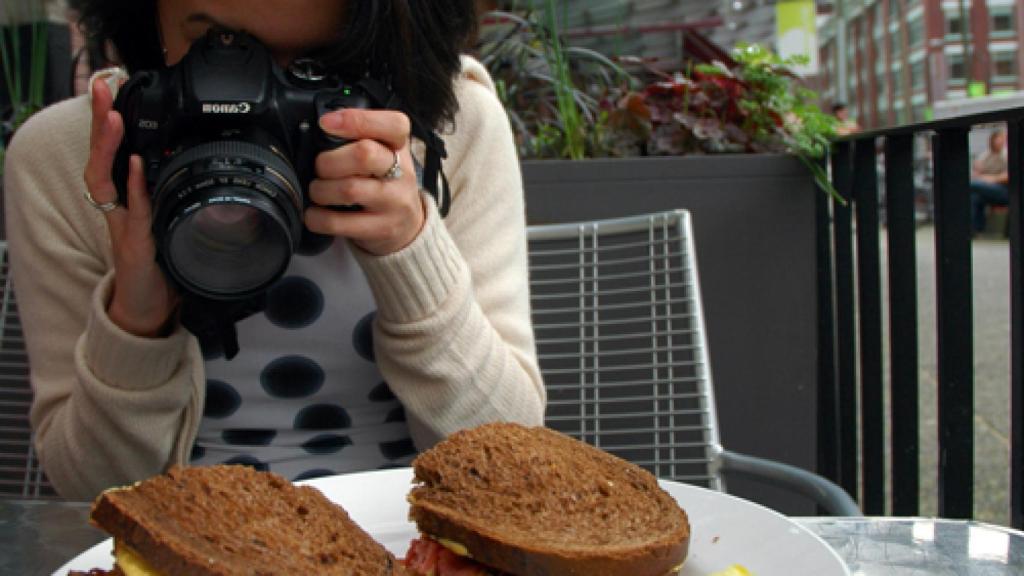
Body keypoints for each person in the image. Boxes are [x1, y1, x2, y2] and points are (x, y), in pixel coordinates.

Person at [2, 0, 545, 500]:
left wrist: (410, 250)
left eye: (319, 63)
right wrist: (135, 320)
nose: (254, 87)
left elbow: (510, 463)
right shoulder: (72, 156)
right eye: (218, 42)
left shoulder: (452, 129)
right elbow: (91, 491)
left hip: (411, 527)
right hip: (176, 538)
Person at [970, 128, 1010, 234]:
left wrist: (989, 179)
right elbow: (977, 173)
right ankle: (975, 229)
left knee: (971, 185)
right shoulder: (985, 156)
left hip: (1004, 190)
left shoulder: (1006, 155)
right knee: (974, 197)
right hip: (987, 189)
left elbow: (1008, 176)